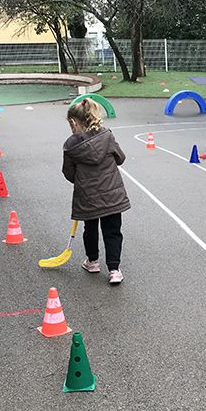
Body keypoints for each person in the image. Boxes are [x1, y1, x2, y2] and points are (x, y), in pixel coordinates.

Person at [63, 99, 130, 284]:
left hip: (87, 196)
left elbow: (68, 173)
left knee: (90, 228)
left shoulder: (70, 146)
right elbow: (121, 158)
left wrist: (81, 178)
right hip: (111, 194)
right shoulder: (107, 136)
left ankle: (92, 261)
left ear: (74, 123)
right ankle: (114, 270)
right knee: (113, 231)